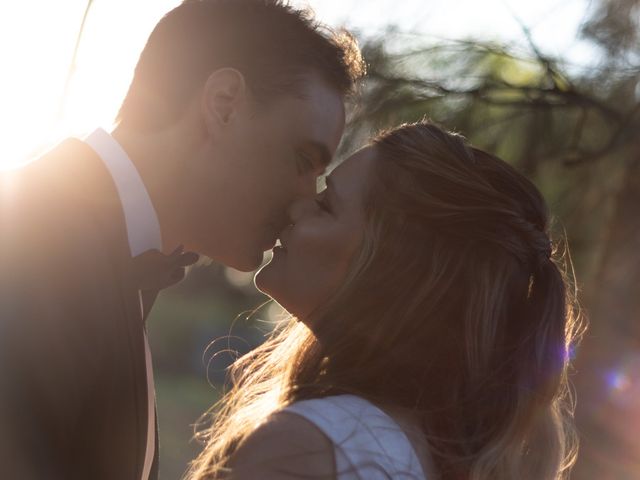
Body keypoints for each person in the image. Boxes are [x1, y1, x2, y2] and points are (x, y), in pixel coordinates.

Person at [0, 1, 364, 479]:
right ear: (224, 104)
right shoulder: (31, 243)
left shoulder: (102, 253)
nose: (303, 202)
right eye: (302, 161)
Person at [187, 121, 584, 480]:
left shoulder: (307, 448)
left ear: (389, 266)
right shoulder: (420, 453)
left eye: (326, 205)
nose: (296, 206)